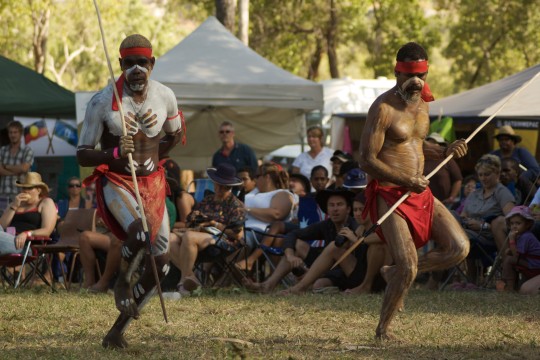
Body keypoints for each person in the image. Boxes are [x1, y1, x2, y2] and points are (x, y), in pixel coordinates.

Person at [77, 34, 183, 349]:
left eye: (143, 63)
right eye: (129, 63)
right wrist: (113, 154)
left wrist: (154, 153)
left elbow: (175, 135)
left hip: (152, 184)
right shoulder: (102, 102)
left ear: (152, 64)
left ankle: (116, 332)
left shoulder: (166, 96)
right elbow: (83, 154)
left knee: (161, 264)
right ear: (121, 65)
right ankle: (120, 282)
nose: (136, 69)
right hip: (118, 182)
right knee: (139, 234)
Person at [359, 42, 469, 340]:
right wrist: (405, 180)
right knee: (407, 264)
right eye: (411, 74)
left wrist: (445, 150)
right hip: (390, 194)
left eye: (421, 74)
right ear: (396, 72)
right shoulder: (382, 108)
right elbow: (366, 160)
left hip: (420, 192)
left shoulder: (424, 105)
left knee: (459, 248)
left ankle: (393, 273)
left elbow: (418, 144)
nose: (417, 81)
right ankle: (383, 330)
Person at [243, 189, 358, 293]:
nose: (335, 209)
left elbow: (356, 264)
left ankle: (301, 287)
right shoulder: (327, 225)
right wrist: (290, 255)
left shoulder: (355, 226)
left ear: (348, 209)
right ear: (327, 209)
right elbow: (294, 234)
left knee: (318, 284)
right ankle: (268, 285)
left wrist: (315, 273)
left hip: (346, 272)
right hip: (325, 267)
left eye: (339, 205)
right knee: (297, 244)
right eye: (331, 205)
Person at [279, 191, 387, 295]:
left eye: (362, 210)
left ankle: (365, 286)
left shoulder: (362, 227)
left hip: (375, 278)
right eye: (356, 210)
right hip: (355, 273)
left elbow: (383, 238)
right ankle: (292, 286)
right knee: (332, 246)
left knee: (377, 246)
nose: (358, 213)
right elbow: (293, 234)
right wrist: (290, 255)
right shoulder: (358, 228)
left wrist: (356, 240)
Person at [169, 163, 245, 293]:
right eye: (218, 184)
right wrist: (195, 221)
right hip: (200, 234)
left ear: (230, 187)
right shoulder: (207, 200)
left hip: (223, 240)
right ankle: (190, 277)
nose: (220, 188)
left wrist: (213, 224)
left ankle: (184, 281)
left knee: (189, 237)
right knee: (169, 238)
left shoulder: (236, 205)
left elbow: (236, 234)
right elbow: (191, 222)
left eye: (224, 186)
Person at [234, 162, 294, 271]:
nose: (255, 180)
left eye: (257, 176)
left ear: (267, 177)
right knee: (218, 237)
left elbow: (277, 214)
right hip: (239, 228)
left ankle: (224, 280)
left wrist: (247, 209)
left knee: (240, 239)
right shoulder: (252, 193)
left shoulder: (282, 194)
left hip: (259, 232)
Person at [0, 172, 56, 256]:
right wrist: (14, 206)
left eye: (29, 188)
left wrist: (27, 233)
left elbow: (47, 230)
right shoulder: (15, 203)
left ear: (38, 190)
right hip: (8, 239)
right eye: (23, 188)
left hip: (27, 245)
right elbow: (2, 226)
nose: (25, 191)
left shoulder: (45, 202)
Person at [499, 206, 540, 292]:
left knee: (509, 260)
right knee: (510, 259)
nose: (514, 226)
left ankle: (509, 285)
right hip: (530, 261)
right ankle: (513, 285)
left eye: (518, 223)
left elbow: (516, 255)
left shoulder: (526, 236)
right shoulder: (521, 235)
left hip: (535, 264)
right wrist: (510, 250)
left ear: (528, 224)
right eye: (512, 223)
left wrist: (511, 240)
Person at [79, 217, 121, 293]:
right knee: (84, 237)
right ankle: (89, 282)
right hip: (110, 233)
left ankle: (104, 283)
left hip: (128, 236)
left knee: (117, 240)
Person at [0, 120, 34, 205]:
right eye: (10, 132)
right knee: (3, 218)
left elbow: (24, 168)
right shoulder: (3, 150)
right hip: (4, 192)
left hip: (20, 192)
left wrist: (6, 166)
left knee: (19, 218)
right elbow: (0, 170)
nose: (13, 135)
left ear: (21, 133)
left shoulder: (27, 150)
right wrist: (17, 171)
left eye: (15, 132)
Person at [424, 132, 463, 206]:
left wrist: (452, 197)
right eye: (431, 142)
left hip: (444, 203)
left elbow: (457, 179)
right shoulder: (420, 160)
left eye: (437, 143)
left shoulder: (447, 160)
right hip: (424, 203)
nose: (434, 145)